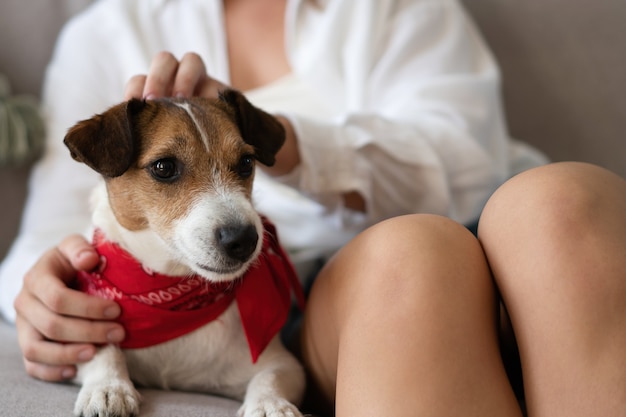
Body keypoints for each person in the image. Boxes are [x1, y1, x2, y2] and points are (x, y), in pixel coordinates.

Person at [2, 0, 625, 416]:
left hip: (508, 234)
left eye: (243, 163)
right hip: (324, 279)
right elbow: (45, 239)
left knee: (559, 201)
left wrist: (287, 143)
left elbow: (475, 160)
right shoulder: (110, 29)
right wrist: (39, 295)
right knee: (410, 260)